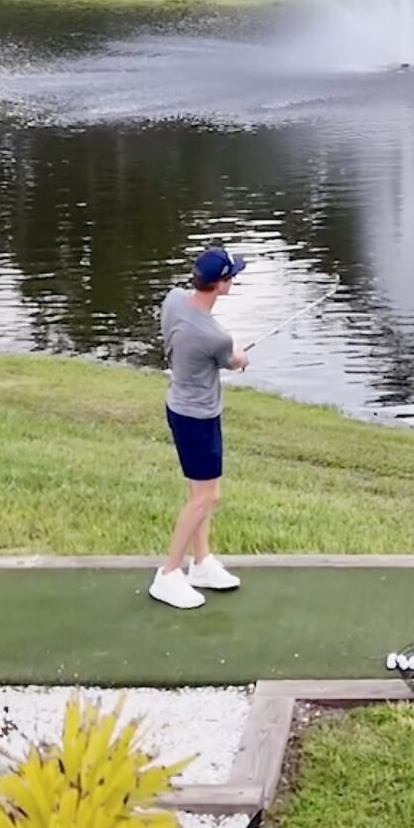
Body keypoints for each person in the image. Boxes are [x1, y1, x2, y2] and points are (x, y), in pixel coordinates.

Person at [149, 247, 249, 609]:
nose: (233, 280)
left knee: (200, 494)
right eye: (231, 276)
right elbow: (234, 359)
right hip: (198, 418)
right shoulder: (215, 336)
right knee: (207, 497)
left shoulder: (174, 299)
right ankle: (168, 573)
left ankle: (202, 563)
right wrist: (240, 356)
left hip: (179, 406)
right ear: (221, 284)